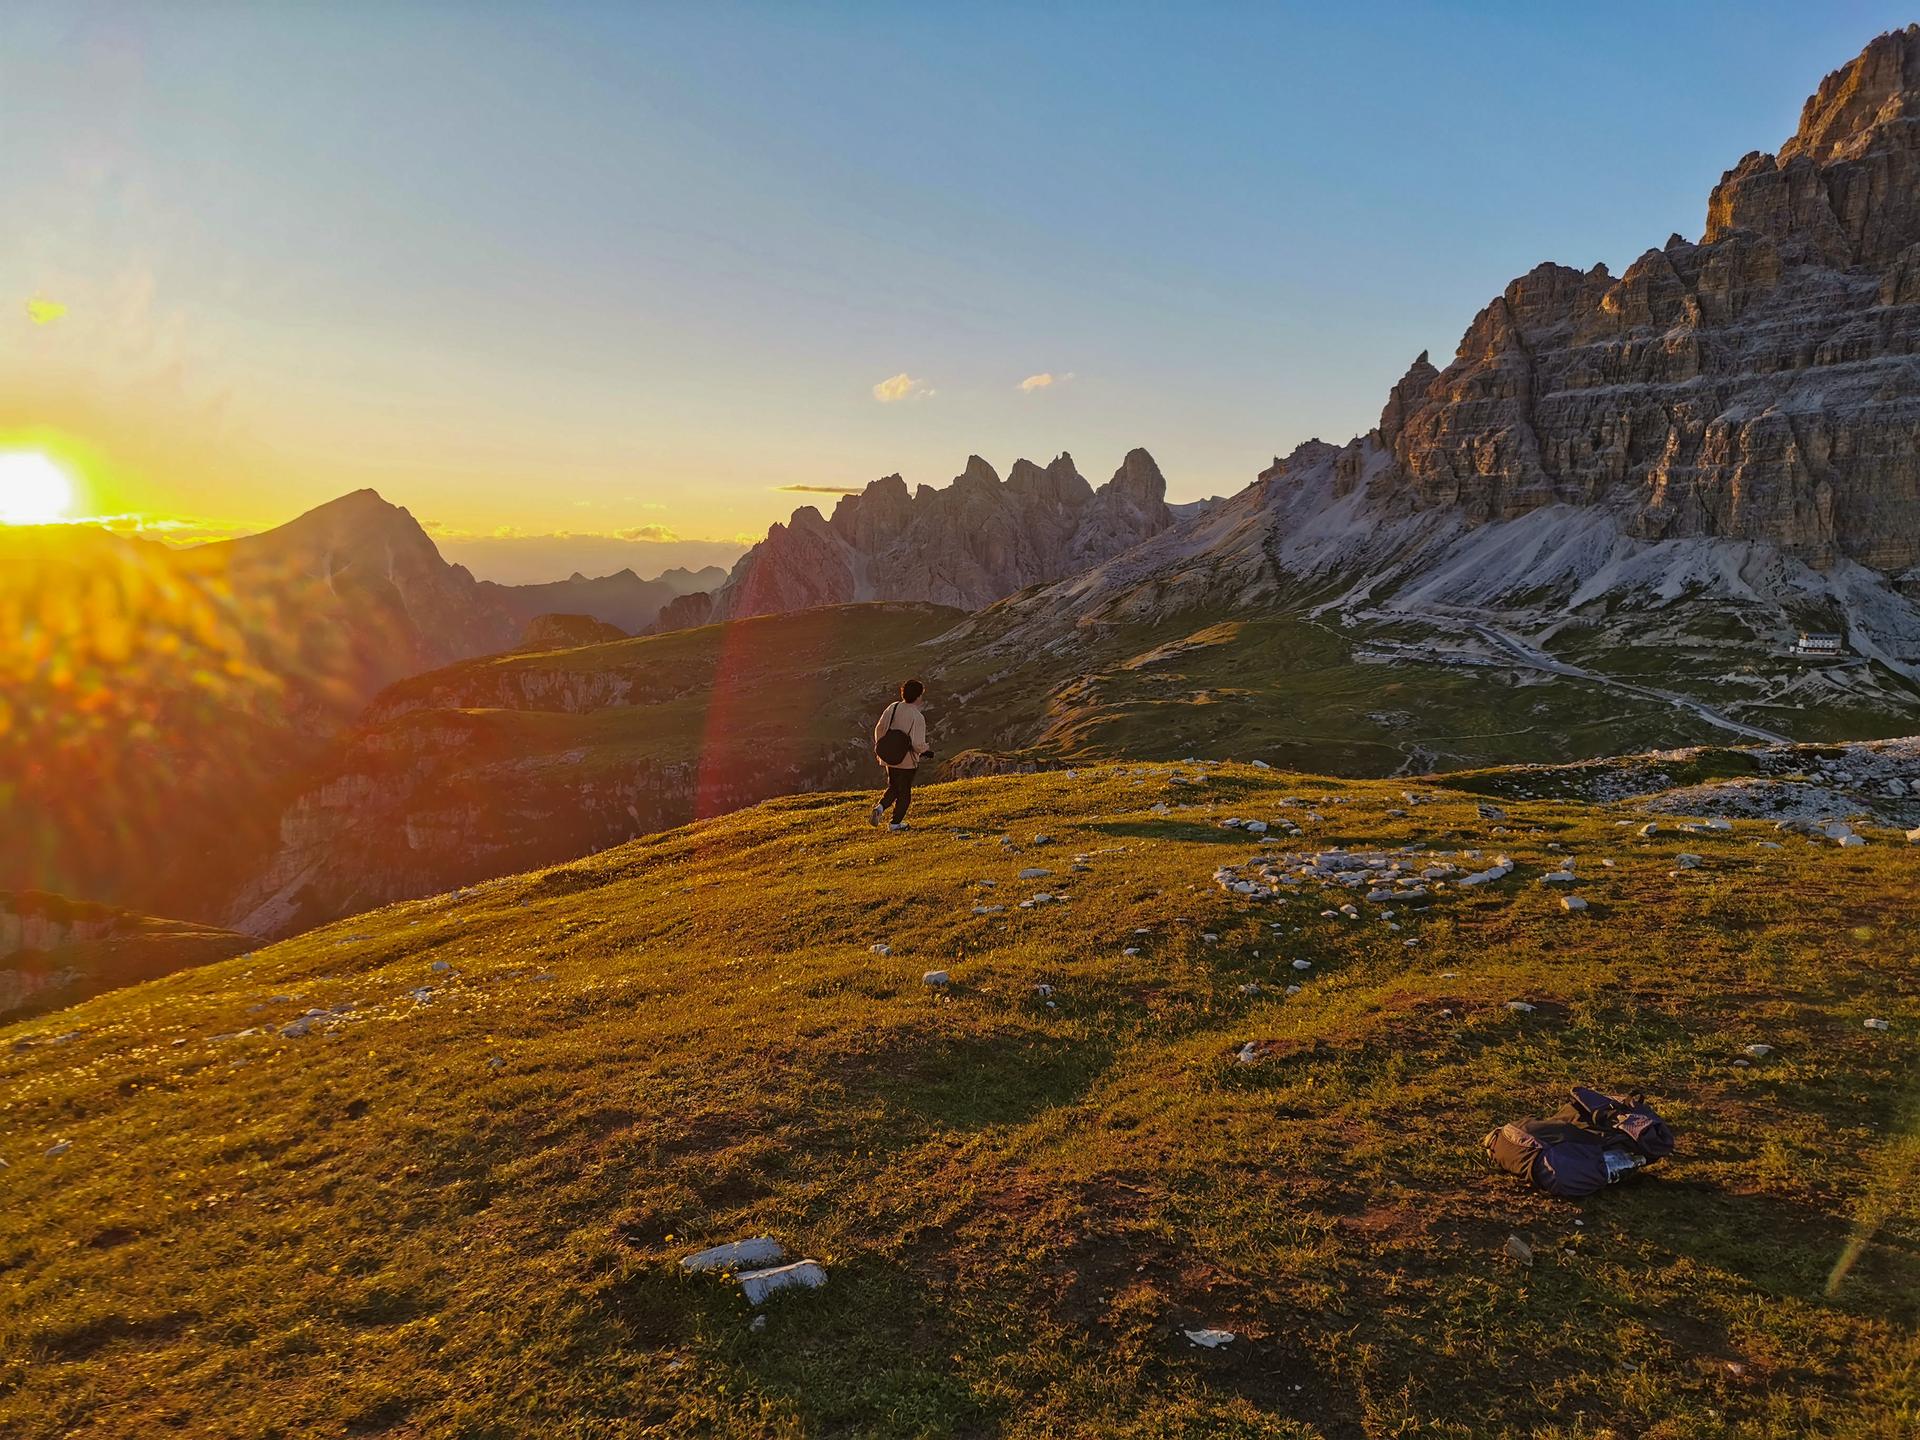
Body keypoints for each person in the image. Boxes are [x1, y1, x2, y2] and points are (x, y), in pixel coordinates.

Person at [870, 678, 932, 830]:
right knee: (904, 792)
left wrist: (884, 746)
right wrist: (926, 749)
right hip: (907, 761)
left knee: (893, 786)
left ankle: (880, 808)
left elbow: (880, 728)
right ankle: (895, 823)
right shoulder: (917, 717)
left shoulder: (893, 707)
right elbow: (917, 745)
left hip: (890, 757)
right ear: (918, 696)